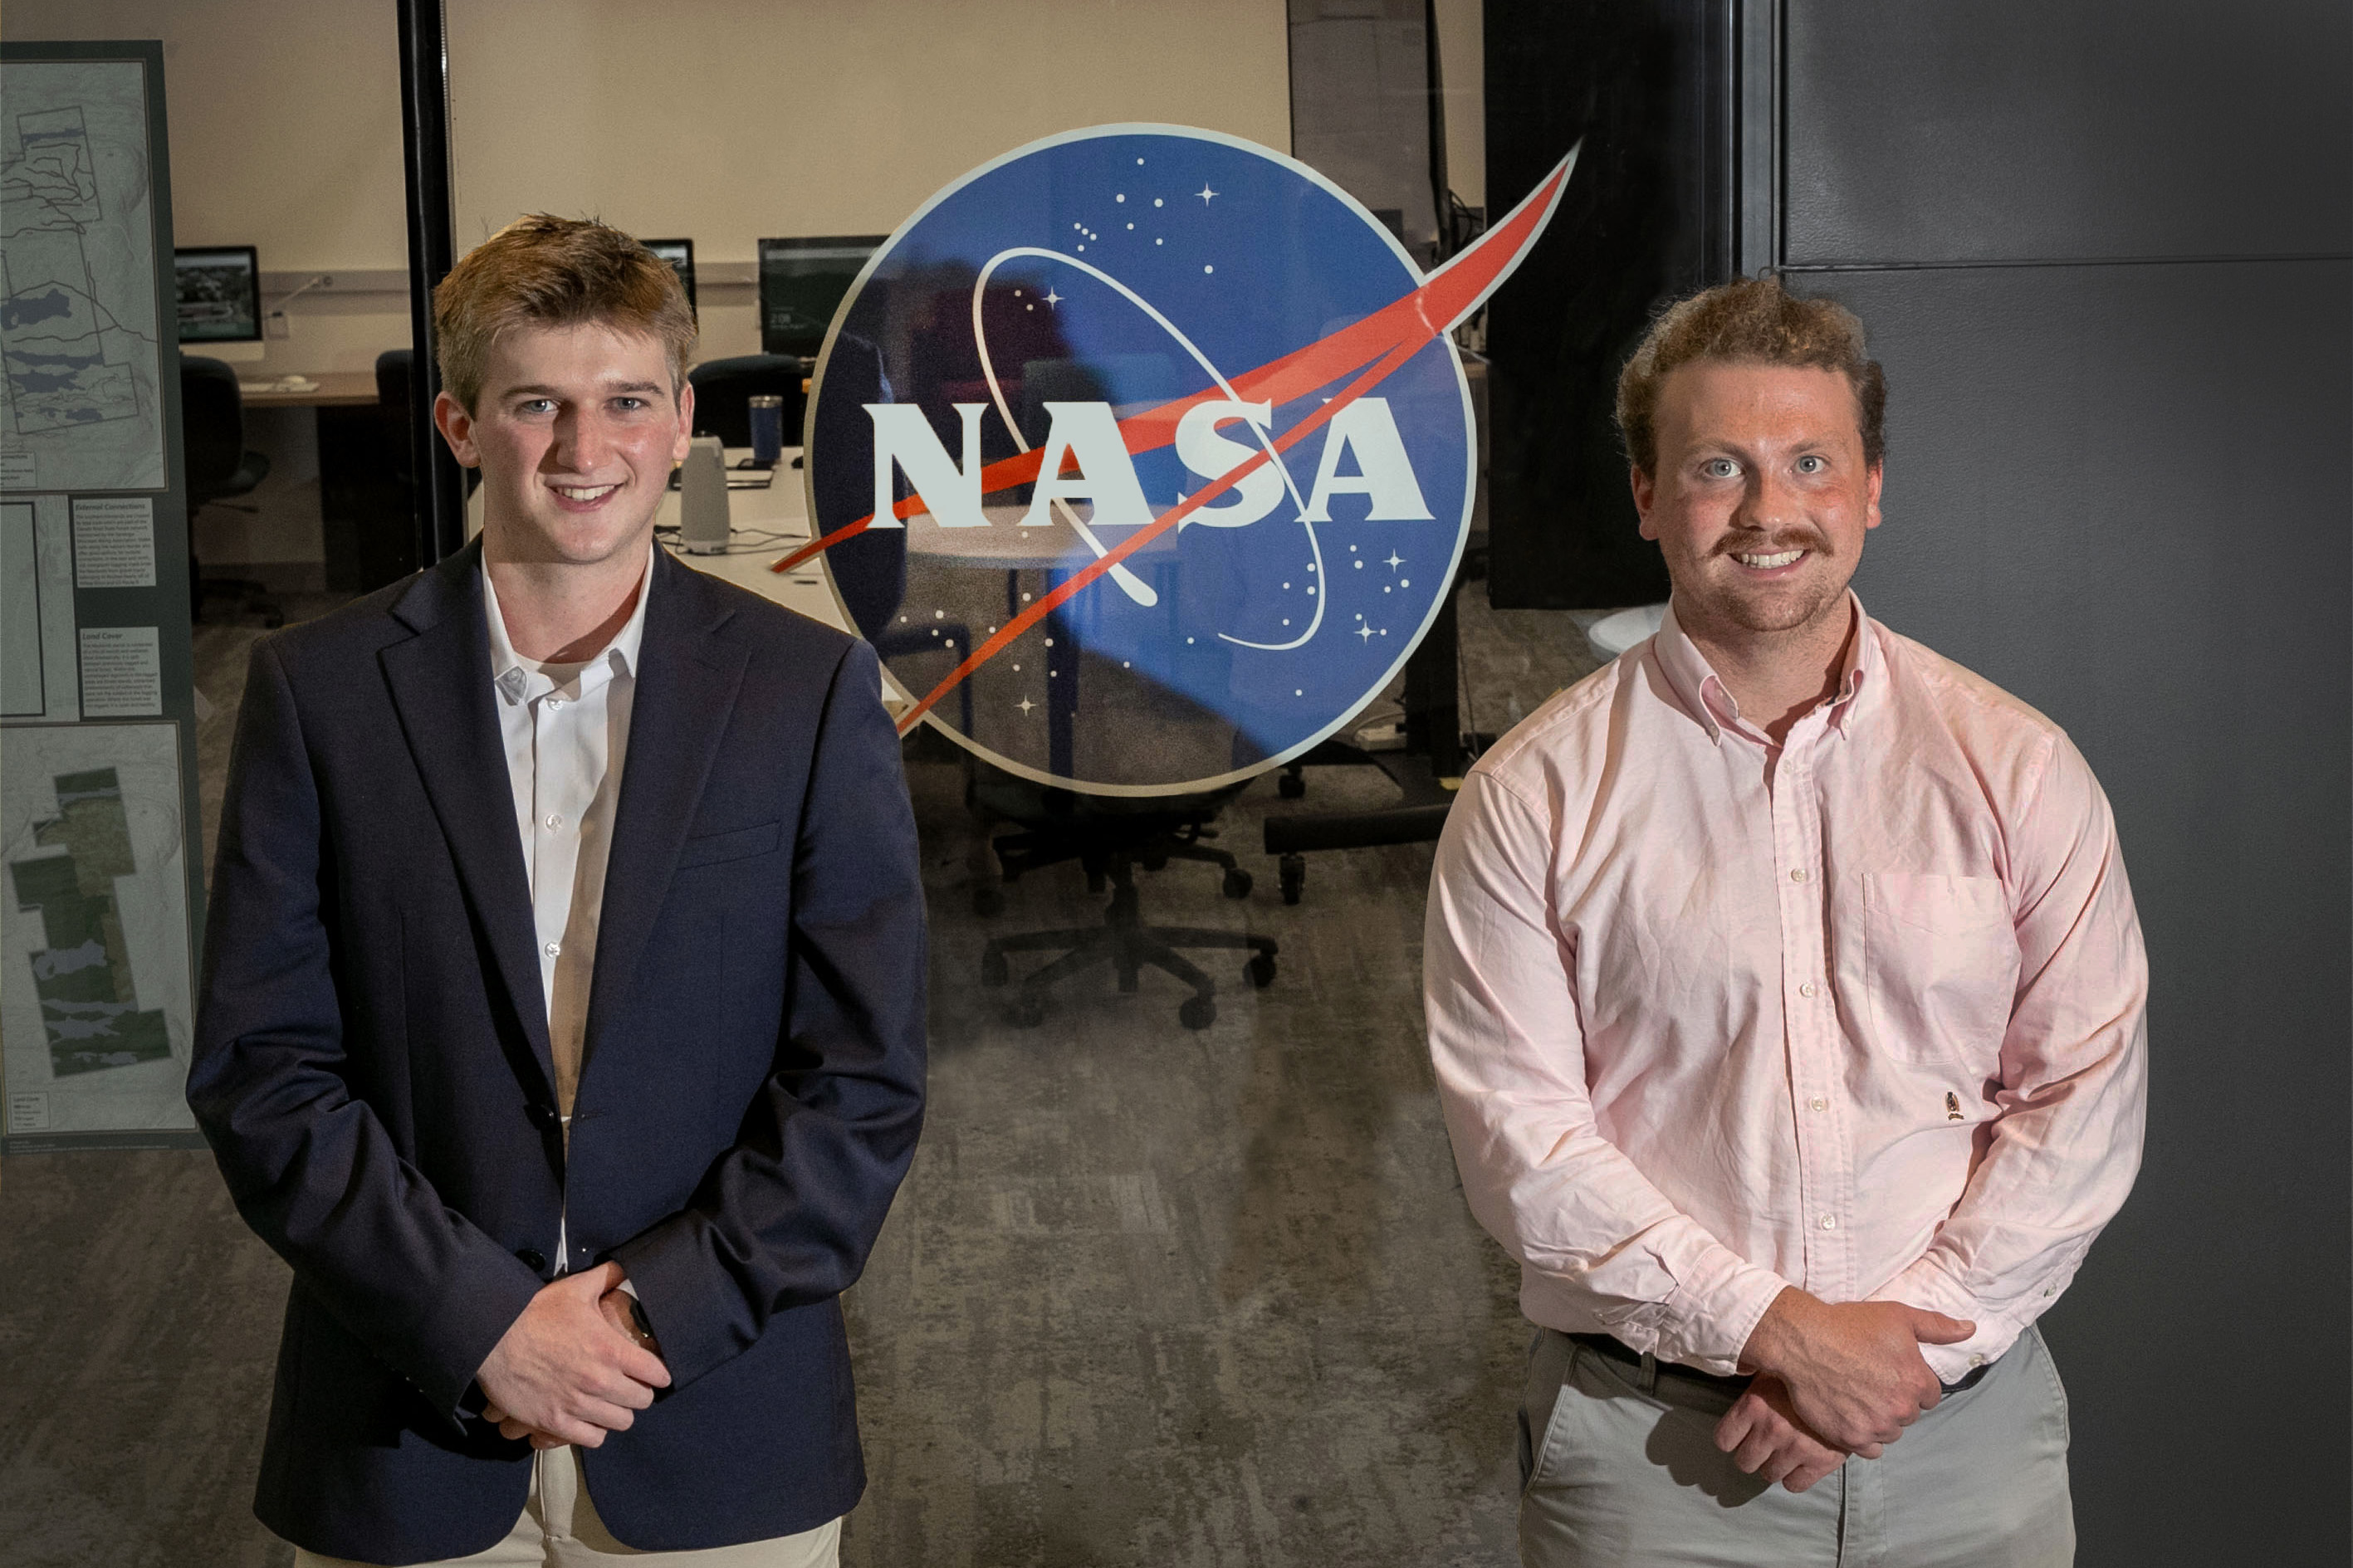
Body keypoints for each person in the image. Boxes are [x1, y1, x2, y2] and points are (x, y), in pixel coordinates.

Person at [189, 215, 927, 1566]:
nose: (587, 453)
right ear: (461, 426)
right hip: (405, 1420)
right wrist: (480, 1321)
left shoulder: (804, 690)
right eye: (537, 405)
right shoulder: (321, 693)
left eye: (625, 403)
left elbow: (861, 1077)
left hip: (715, 1412)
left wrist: (643, 1320)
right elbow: (264, 1068)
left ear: (679, 418)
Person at [1423, 276, 2146, 1566]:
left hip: (1966, 1455)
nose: (1767, 510)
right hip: (1655, 1466)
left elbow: (2079, 1101)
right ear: (1645, 497)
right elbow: (1518, 1139)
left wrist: (1890, 1354)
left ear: (1868, 487)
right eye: (1716, 467)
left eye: (1808, 461)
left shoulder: (2015, 767)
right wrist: (1782, 1336)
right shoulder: (1530, 794)